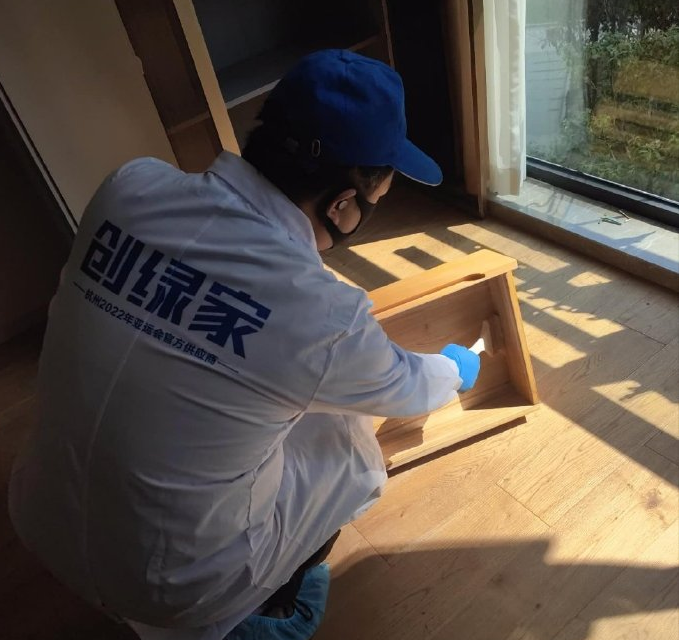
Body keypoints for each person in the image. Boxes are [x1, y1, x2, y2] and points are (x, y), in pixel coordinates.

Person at [8, 50, 481, 640]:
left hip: (39, 514)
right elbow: (405, 390)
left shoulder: (130, 187)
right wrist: (454, 368)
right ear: (341, 204)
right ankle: (272, 612)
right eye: (373, 201)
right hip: (172, 588)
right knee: (349, 441)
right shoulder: (322, 313)